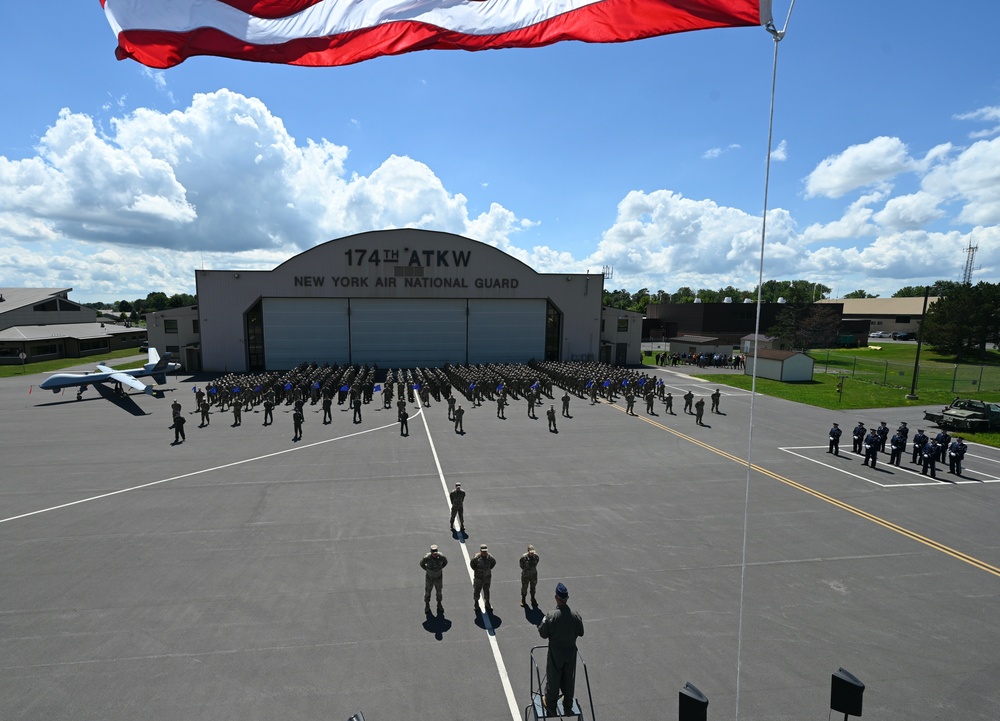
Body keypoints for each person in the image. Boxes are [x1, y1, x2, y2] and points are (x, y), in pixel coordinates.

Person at [538, 582, 584, 718]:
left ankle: (551, 704)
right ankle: (568, 705)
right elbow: (581, 632)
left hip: (555, 653)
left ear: (556, 598)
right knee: (569, 678)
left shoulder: (551, 616)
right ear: (567, 598)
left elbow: (543, 633)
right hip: (570, 653)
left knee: (553, 678)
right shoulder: (576, 616)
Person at [420, 544, 448, 614]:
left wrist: (440, 568)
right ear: (431, 551)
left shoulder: (441, 557)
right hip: (430, 578)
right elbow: (421, 564)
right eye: (433, 551)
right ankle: (427, 605)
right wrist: (427, 570)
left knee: (439, 592)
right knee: (428, 592)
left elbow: (445, 562)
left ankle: (439, 604)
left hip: (438, 577)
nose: (434, 553)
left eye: (435, 551)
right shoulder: (427, 557)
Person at [470, 544, 496, 612]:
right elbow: (472, 565)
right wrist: (477, 571)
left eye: (485, 551)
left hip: (487, 577)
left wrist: (488, 570)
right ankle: (476, 603)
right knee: (477, 590)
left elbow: (493, 563)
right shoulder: (476, 558)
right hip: (478, 577)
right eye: (483, 551)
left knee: (486, 590)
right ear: (480, 551)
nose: (484, 553)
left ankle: (487, 603)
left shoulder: (490, 557)